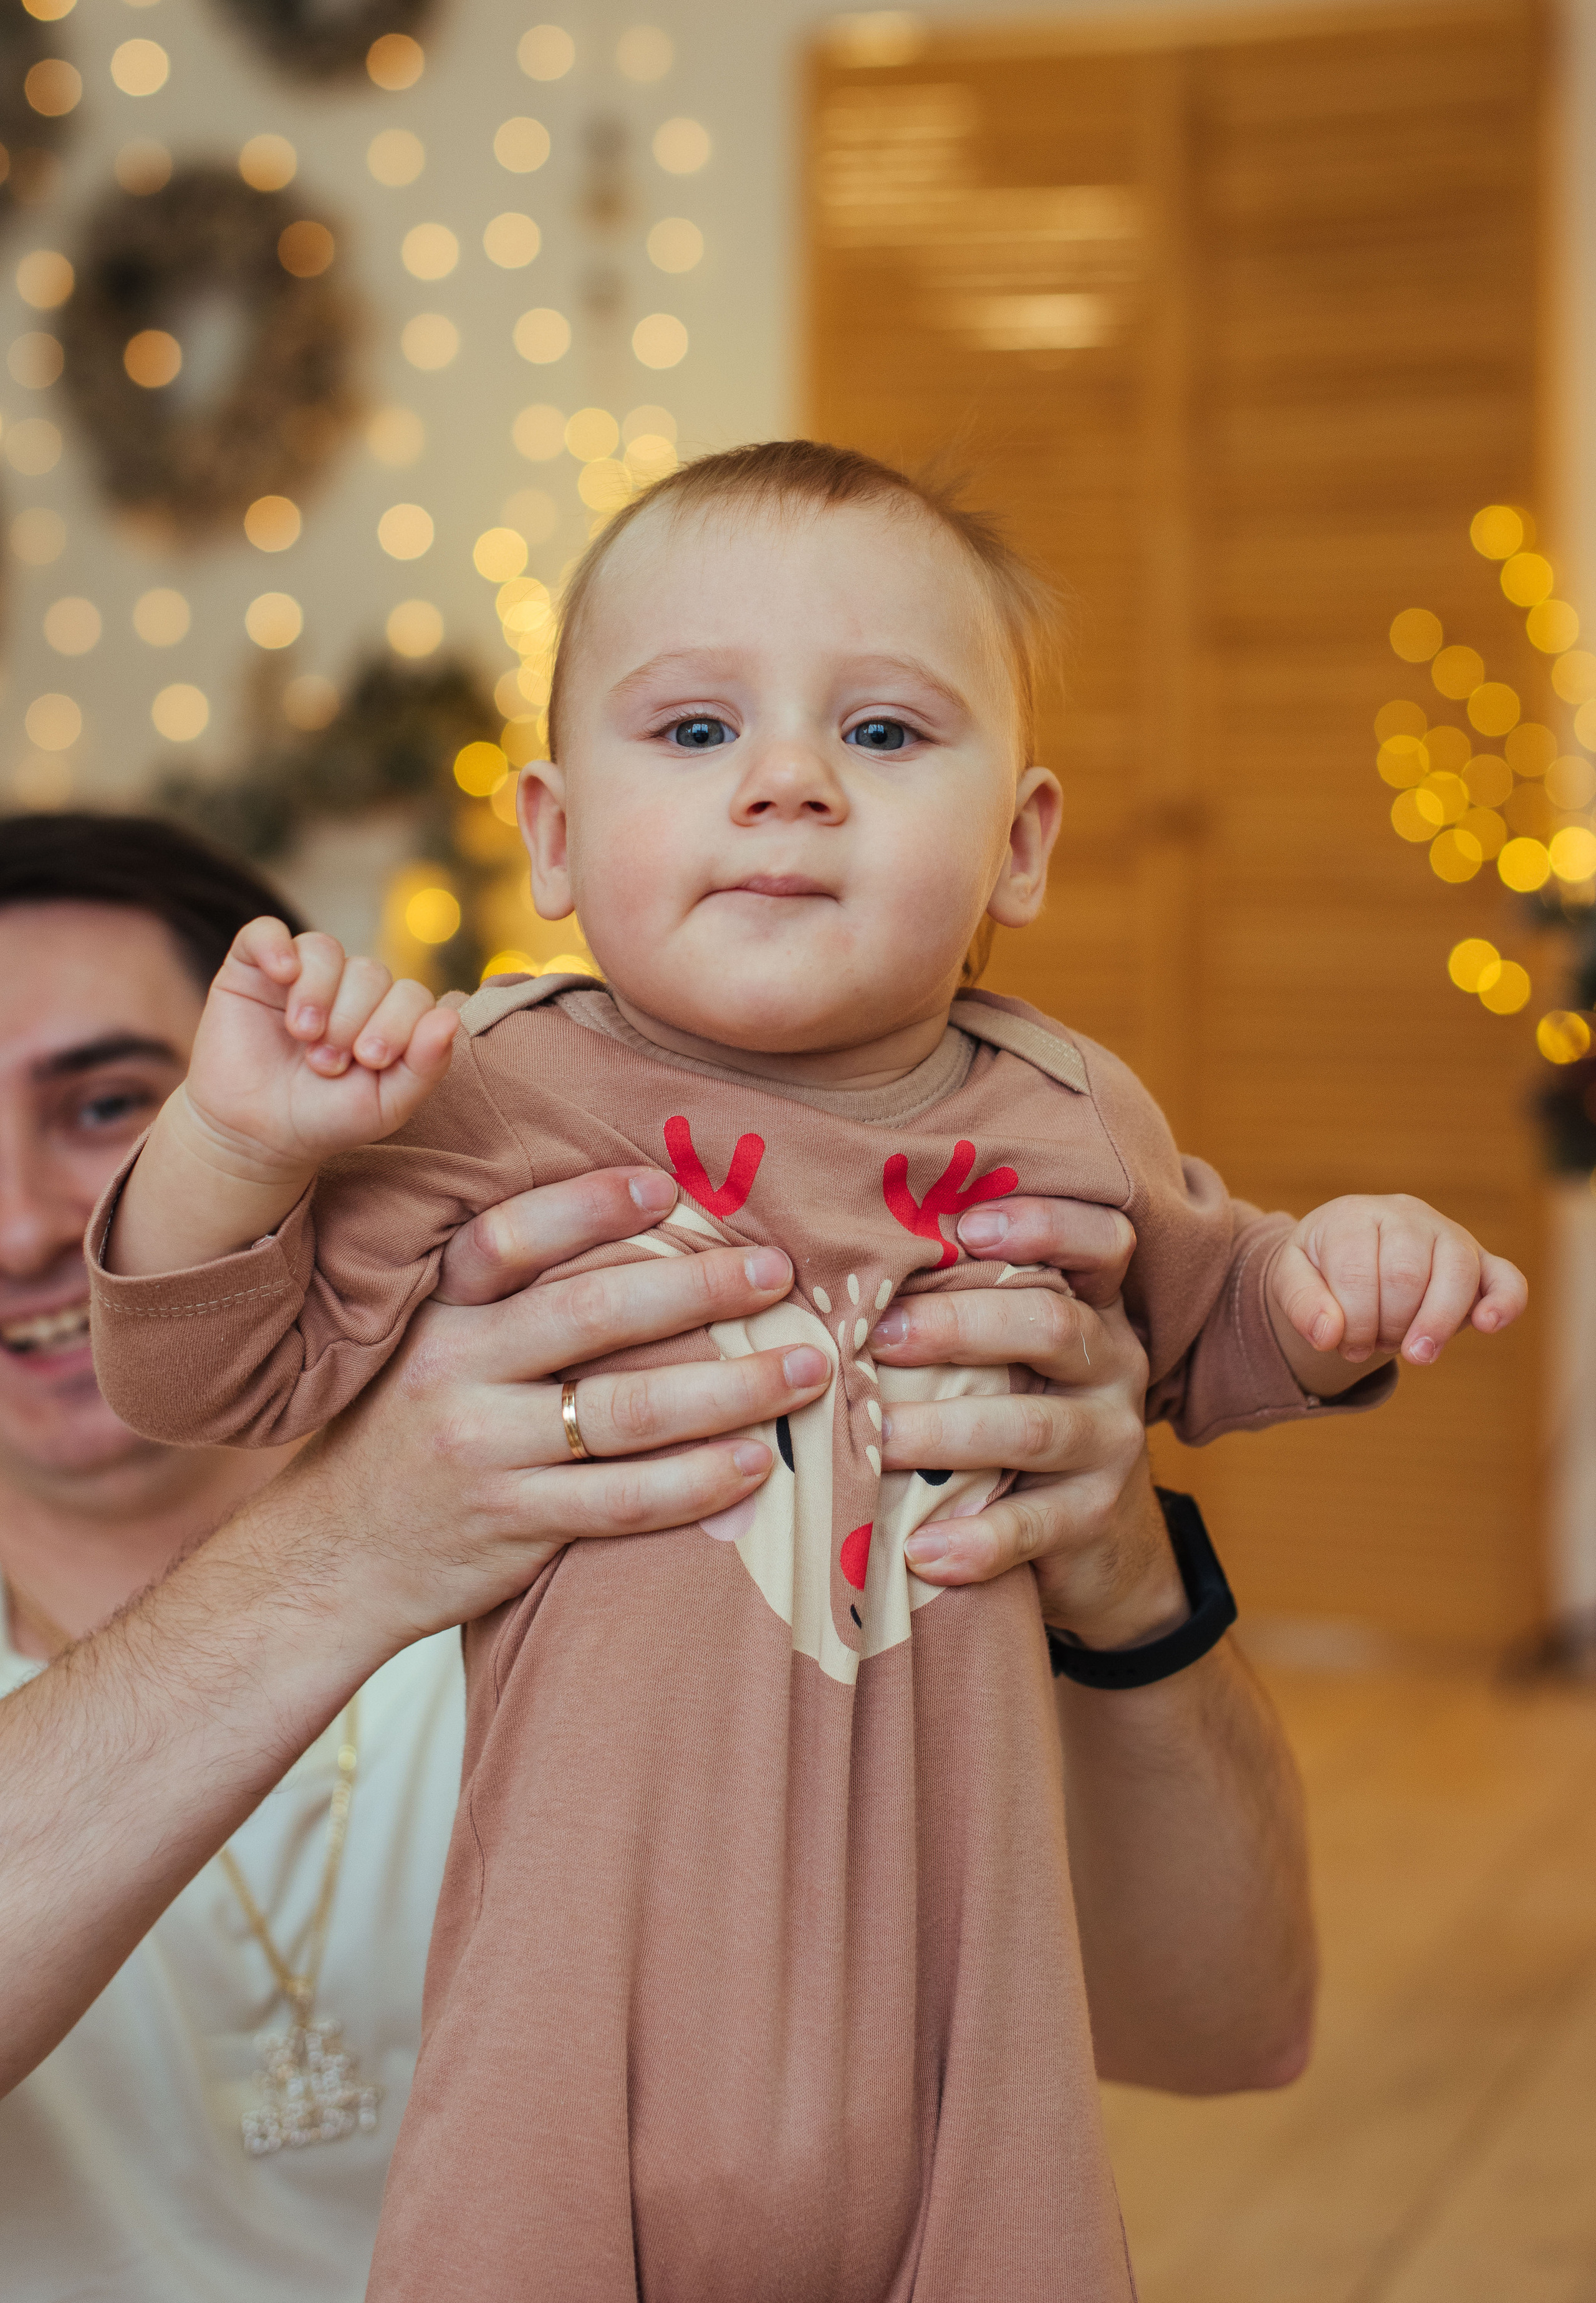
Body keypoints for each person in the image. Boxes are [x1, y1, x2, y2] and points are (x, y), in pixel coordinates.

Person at [90, 445, 1525, 2301]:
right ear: (549, 833)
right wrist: (231, 1143)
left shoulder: (1071, 1114)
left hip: (969, 2029)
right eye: (695, 729)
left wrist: (1335, 1284)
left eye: (883, 731)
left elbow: (1218, 1316)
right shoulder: (479, 1096)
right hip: (568, 2043)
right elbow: (202, 1376)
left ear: (1020, 842)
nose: (786, 781)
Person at [1, 809, 1311, 2302]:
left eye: (107, 1105)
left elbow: (1229, 2029)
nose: (23, 1224)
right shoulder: (452, 1495)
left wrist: (1126, 1583)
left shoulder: (704, 1463)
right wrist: (345, 1548)